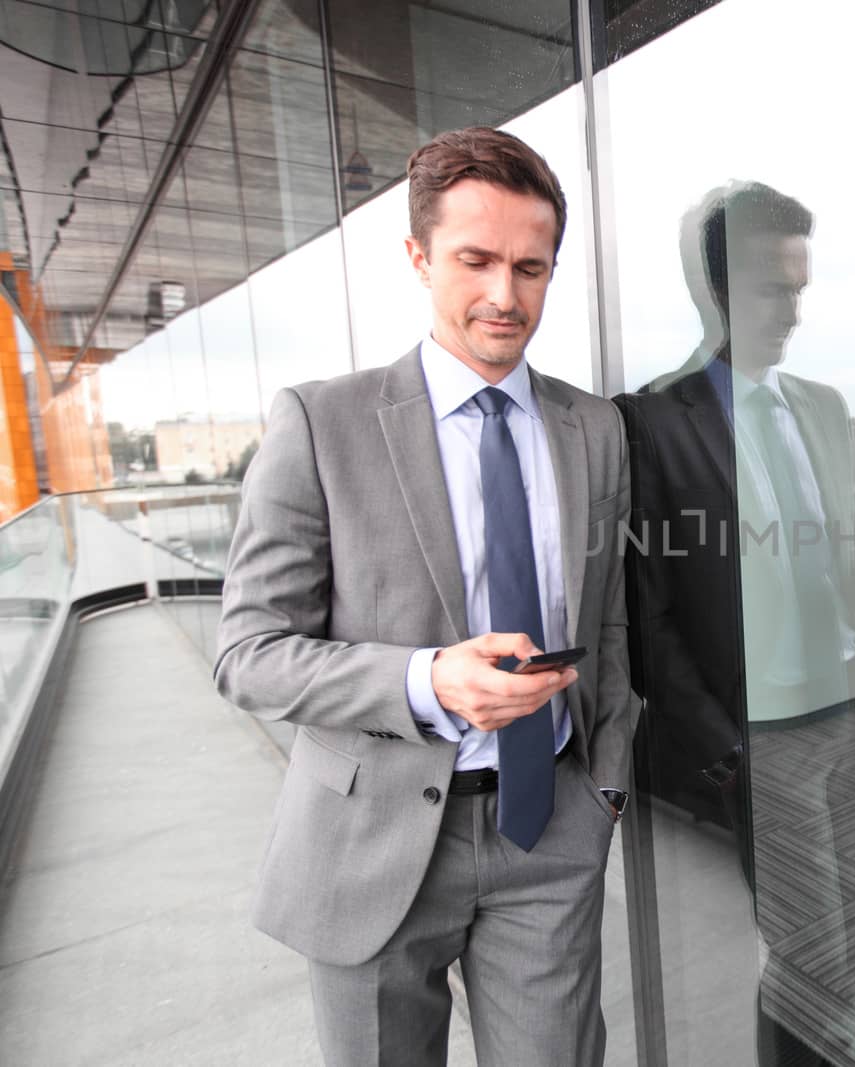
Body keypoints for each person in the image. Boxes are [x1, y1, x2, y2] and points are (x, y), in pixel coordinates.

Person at [214, 126, 637, 1066]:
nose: (504, 296)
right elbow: (246, 652)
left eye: (531, 267)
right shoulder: (320, 423)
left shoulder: (595, 426)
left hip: (550, 832)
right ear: (417, 257)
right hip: (371, 838)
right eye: (475, 260)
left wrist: (602, 785)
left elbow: (605, 617)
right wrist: (427, 681)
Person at [617, 182, 855, 1065]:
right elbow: (647, 616)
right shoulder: (650, 420)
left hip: (846, 719)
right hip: (764, 739)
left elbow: (844, 549)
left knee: (847, 947)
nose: (794, 310)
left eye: (801, 287)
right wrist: (728, 748)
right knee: (811, 956)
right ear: (715, 290)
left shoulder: (824, 409)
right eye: (772, 288)